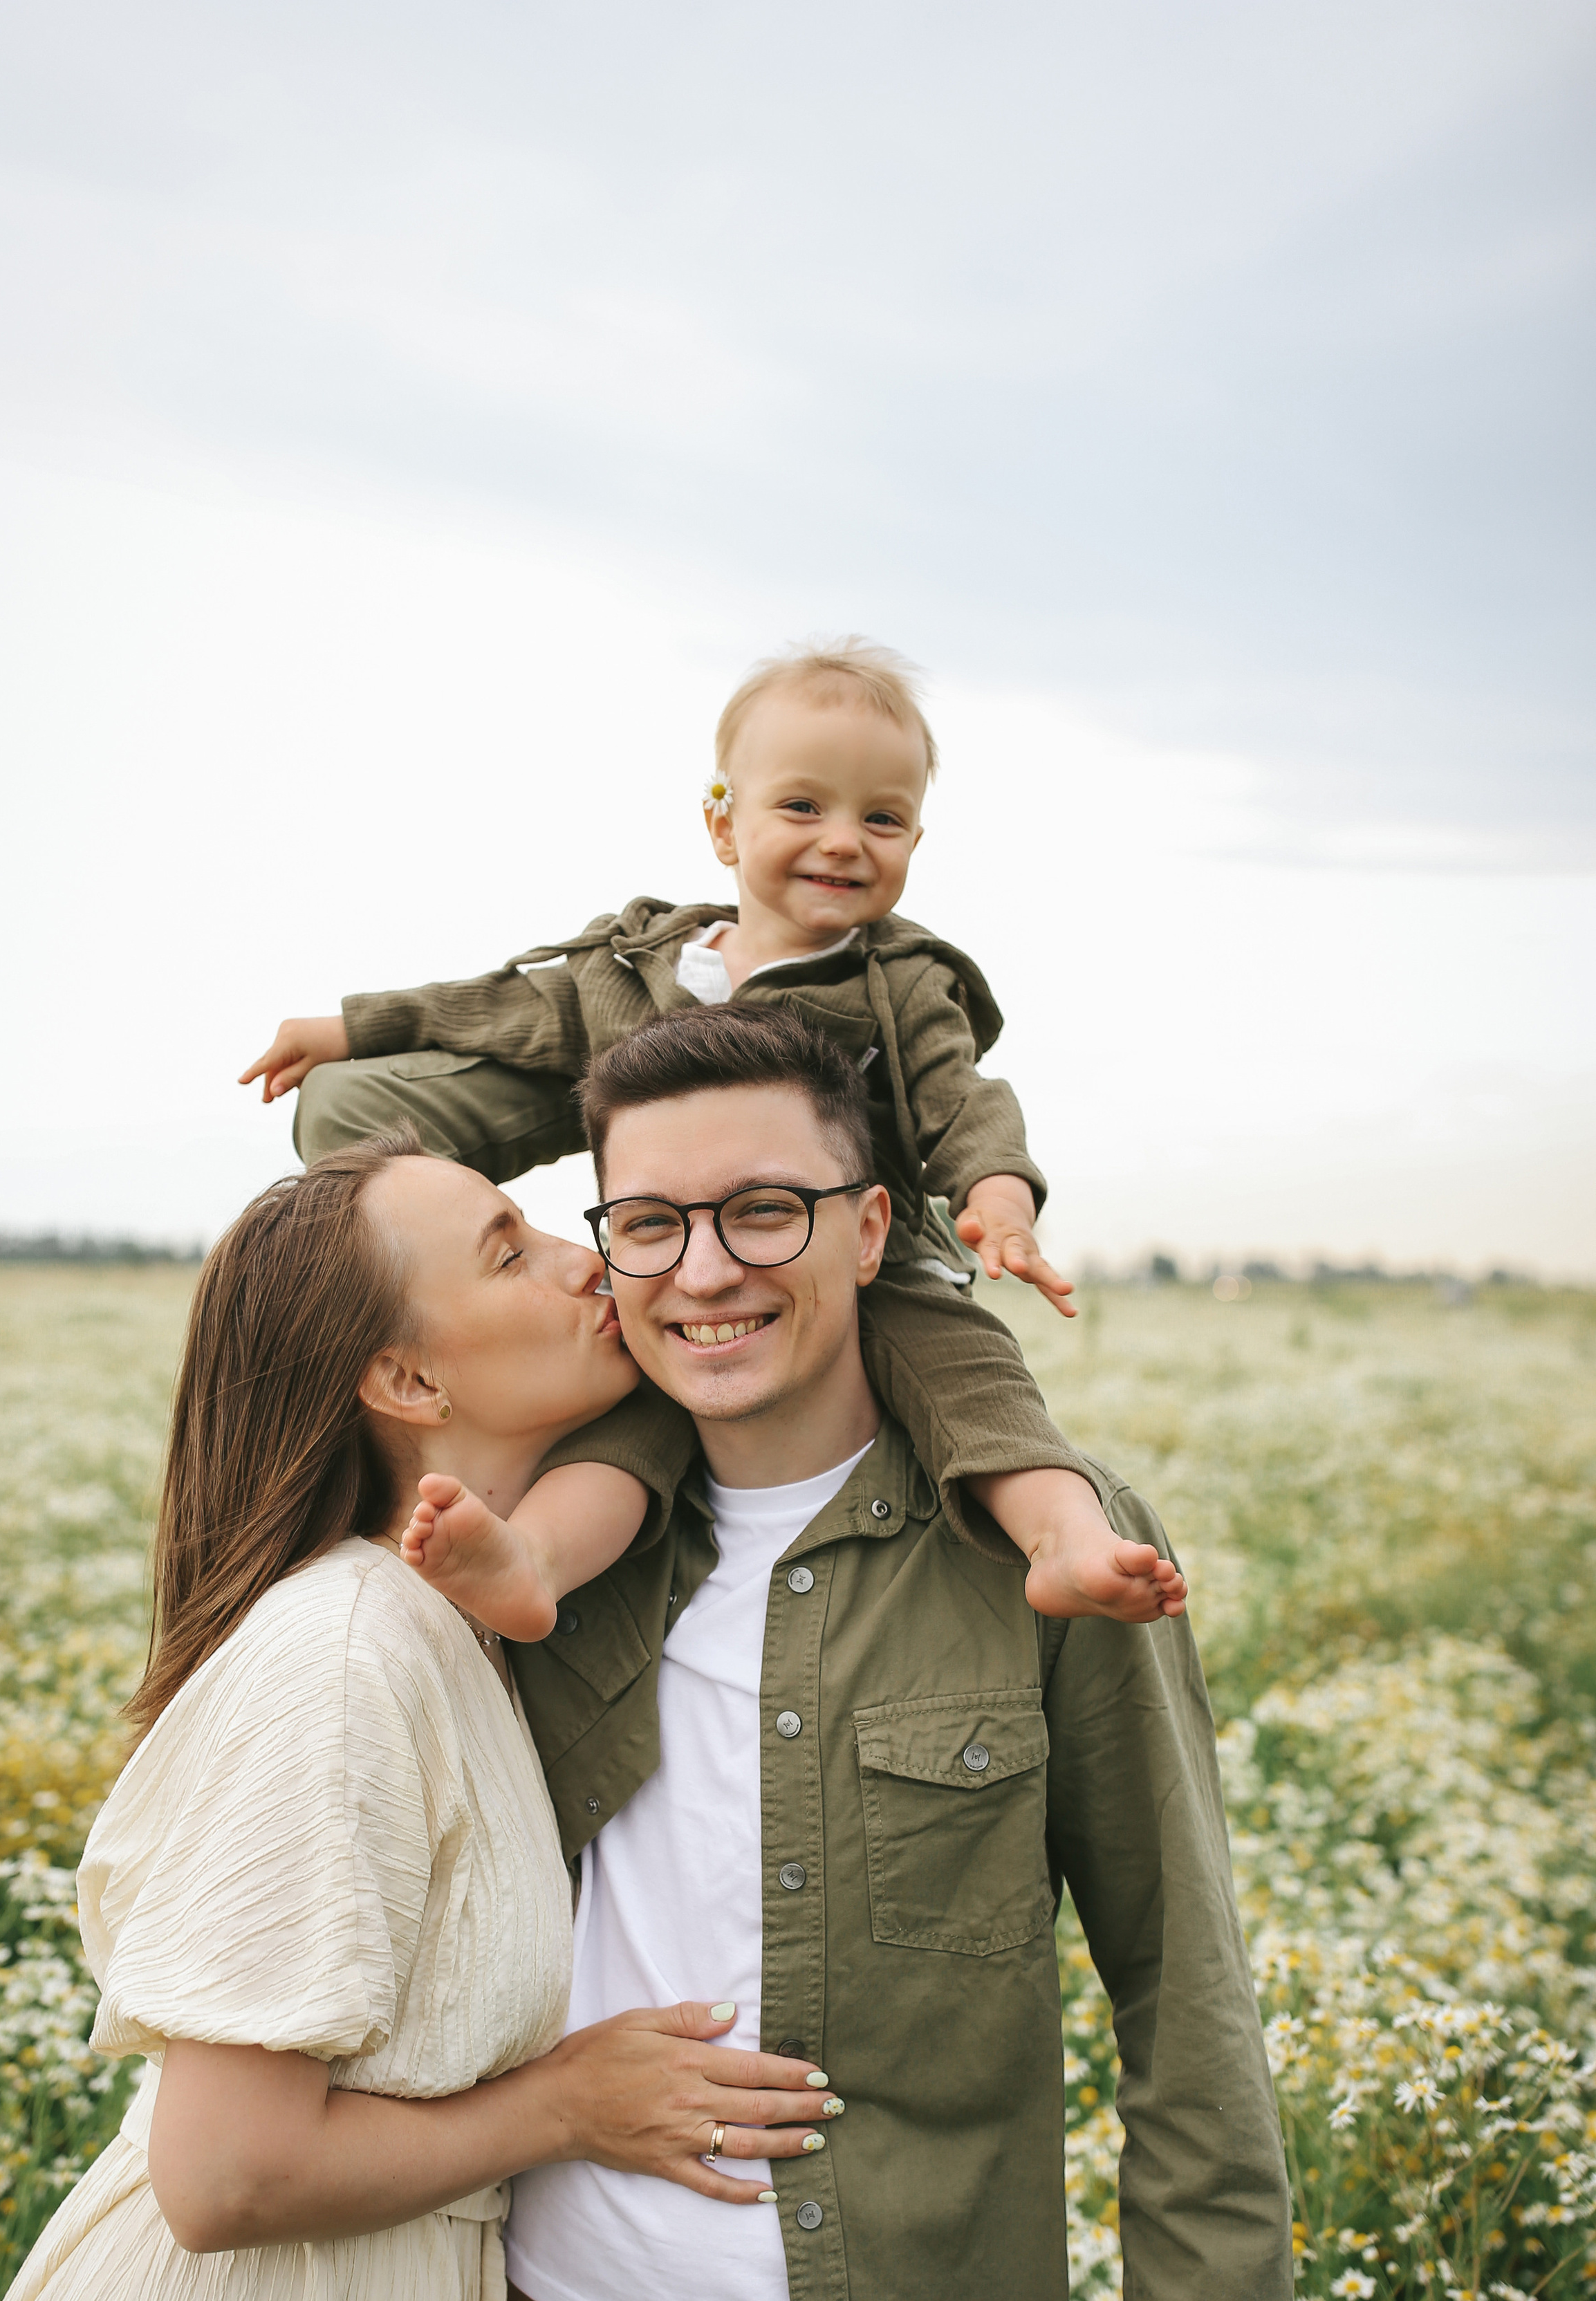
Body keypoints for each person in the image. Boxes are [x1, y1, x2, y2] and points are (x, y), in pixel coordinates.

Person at [0, 1136, 836, 2301]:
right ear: (405, 1383)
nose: (599, 1260)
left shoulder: (459, 1628)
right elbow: (221, 2176)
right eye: (510, 1250)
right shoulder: (344, 1655)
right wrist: (568, 2108)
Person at [409, 1008, 1293, 2301]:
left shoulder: (1048, 1546)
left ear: (873, 1225)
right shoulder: (542, 1551)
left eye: (764, 1209)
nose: (701, 1273)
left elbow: (1187, 2015)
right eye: (648, 1223)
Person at [237, 635, 1187, 1635]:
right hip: (684, 1266)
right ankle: (534, 1562)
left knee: (975, 1378)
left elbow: (965, 1102)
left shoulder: (901, 983)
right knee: (636, 1425)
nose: (843, 841)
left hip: (878, 1261)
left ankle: (1063, 1540)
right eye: (803, 807)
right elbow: (494, 1008)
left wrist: (998, 1202)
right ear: (723, 827)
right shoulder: (644, 967)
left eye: (884, 818)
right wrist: (348, 1028)